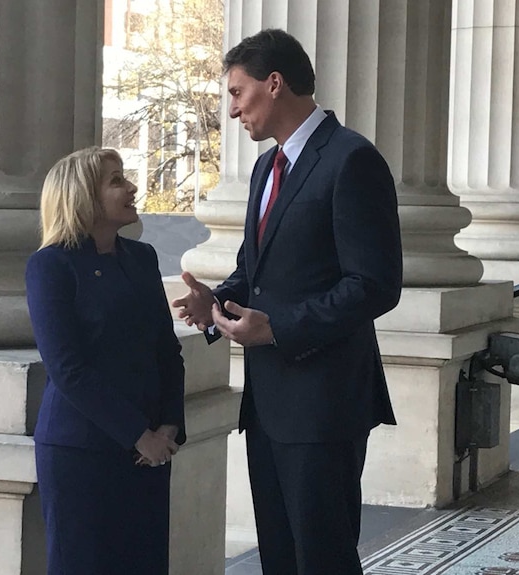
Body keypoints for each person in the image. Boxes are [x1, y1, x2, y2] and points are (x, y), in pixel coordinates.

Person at [172, 29, 402, 575]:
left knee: (322, 557)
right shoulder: (264, 168)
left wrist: (277, 329)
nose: (231, 110)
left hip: (325, 403)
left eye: (236, 92)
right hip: (268, 402)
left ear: (273, 84)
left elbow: (375, 285)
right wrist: (218, 302)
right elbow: (258, 269)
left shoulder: (352, 160)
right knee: (279, 555)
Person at [25, 146, 185, 575]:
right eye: (116, 180)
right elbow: (67, 369)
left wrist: (168, 424)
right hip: (82, 452)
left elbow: (167, 350)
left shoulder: (142, 258)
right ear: (82, 196)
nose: (131, 187)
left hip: (150, 450)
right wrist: (137, 434)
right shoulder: (51, 266)